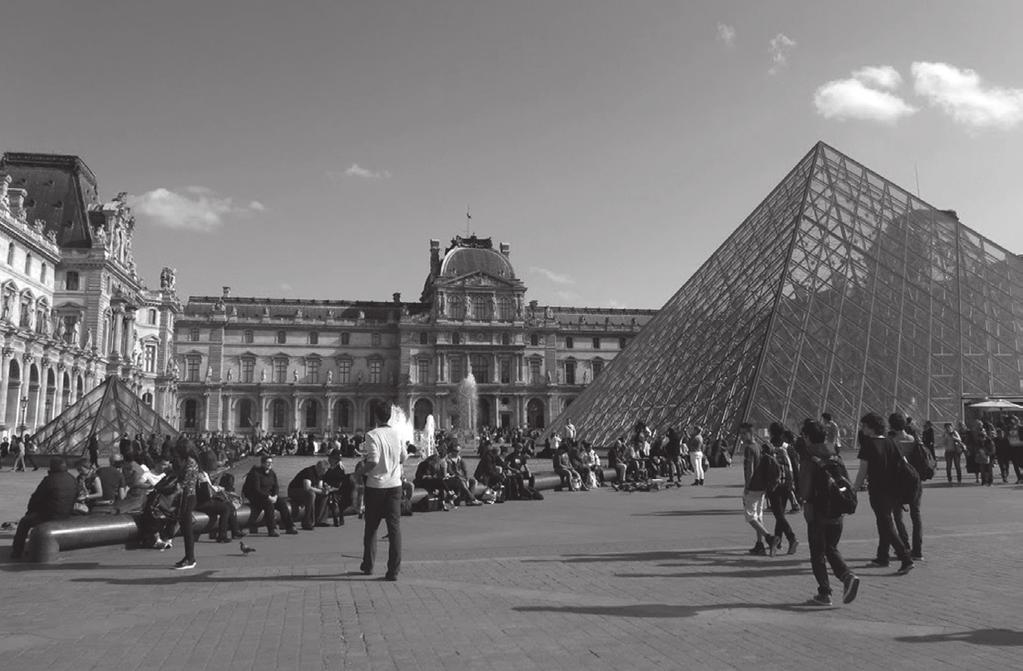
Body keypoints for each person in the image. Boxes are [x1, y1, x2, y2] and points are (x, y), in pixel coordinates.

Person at [798, 419, 859, 607]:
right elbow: (846, 482)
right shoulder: (835, 455)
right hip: (837, 511)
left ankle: (825, 592)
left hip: (817, 511)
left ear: (807, 437)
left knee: (817, 553)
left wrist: (802, 499)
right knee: (831, 548)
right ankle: (847, 576)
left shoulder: (810, 457)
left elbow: (805, 489)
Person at [852, 412, 914, 575]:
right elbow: (902, 463)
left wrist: (854, 489)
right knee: (883, 522)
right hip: (893, 489)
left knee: (886, 523)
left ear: (871, 427)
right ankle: (882, 556)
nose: (862, 428)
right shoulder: (889, 442)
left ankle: (905, 557)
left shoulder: (868, 444)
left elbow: (862, 471)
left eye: (864, 425)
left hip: (878, 490)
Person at [359, 406, 408, 581]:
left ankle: (368, 565)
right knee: (394, 529)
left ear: (376, 417)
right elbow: (403, 457)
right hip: (395, 486)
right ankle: (393, 571)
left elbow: (372, 461)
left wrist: (359, 473)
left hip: (376, 487)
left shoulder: (372, 434)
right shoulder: (397, 434)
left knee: (371, 528)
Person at [11, 458, 78, 559]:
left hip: (50, 515)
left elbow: (36, 498)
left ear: (52, 467)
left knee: (24, 522)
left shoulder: (49, 480)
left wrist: (30, 511)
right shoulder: (72, 478)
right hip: (67, 514)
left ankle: (17, 552)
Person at [739, 423, 776, 556]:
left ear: (751, 433)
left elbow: (750, 469)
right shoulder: (759, 447)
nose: (742, 436)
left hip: (753, 486)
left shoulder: (749, 448)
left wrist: (746, 487)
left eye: (744, 433)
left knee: (750, 516)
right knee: (758, 515)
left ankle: (769, 538)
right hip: (762, 486)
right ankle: (759, 544)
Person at [243, 455, 298, 536]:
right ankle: (272, 529)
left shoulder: (272, 473)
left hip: (270, 496)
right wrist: (268, 497)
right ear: (262, 463)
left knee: (282, 503)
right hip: (256, 497)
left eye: (271, 463)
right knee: (269, 505)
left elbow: (276, 486)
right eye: (268, 462)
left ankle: (290, 527)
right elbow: (256, 489)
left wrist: (275, 496)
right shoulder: (255, 473)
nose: (270, 464)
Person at [765, 423, 798, 556]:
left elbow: (765, 466)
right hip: (787, 484)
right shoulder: (788, 447)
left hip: (774, 484)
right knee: (780, 514)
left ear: (771, 432)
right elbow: (795, 466)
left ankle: (792, 538)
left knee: (778, 514)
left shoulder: (768, 447)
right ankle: (777, 543)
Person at [172, 443, 200, 569]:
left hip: (188, 497)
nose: (175, 456)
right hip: (187, 497)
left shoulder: (190, 463)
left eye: (177, 454)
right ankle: (188, 556)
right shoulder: (189, 462)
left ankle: (190, 558)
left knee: (187, 529)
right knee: (185, 528)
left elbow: (184, 482)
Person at [288, 459, 330, 530]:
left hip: (306, 492)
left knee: (325, 496)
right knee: (311, 495)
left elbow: (319, 487)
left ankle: (320, 520)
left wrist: (325, 490)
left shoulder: (321, 474)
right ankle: (307, 522)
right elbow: (307, 487)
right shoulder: (309, 472)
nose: (324, 473)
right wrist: (320, 491)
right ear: (319, 468)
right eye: (324, 471)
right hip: (294, 490)